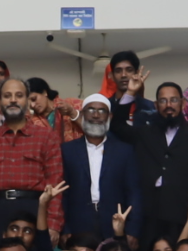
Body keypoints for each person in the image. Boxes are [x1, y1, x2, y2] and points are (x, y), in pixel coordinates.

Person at [113, 79, 188, 241]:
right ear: (155, 105)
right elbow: (117, 125)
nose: (169, 105)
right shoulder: (144, 134)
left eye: (174, 100)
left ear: (182, 104)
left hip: (183, 216)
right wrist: (131, 93)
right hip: (149, 216)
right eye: (163, 100)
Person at [0, 79, 65, 251]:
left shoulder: (46, 137)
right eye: (7, 96)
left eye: (19, 95)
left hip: (35, 211)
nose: (13, 100)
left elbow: (55, 184)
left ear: (28, 100)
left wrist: (53, 224)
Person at [61, 95, 143, 241]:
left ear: (109, 116)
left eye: (102, 111)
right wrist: (65, 228)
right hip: (77, 225)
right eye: (91, 110)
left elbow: (134, 193)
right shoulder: (67, 151)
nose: (96, 115)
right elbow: (62, 194)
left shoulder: (125, 151)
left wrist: (132, 230)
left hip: (115, 224)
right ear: (83, 113)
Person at [26, 77, 85, 143]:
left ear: (44, 92)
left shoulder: (73, 104)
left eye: (34, 99)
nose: (32, 105)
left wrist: (72, 113)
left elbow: (94, 130)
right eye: (29, 103)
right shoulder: (32, 121)